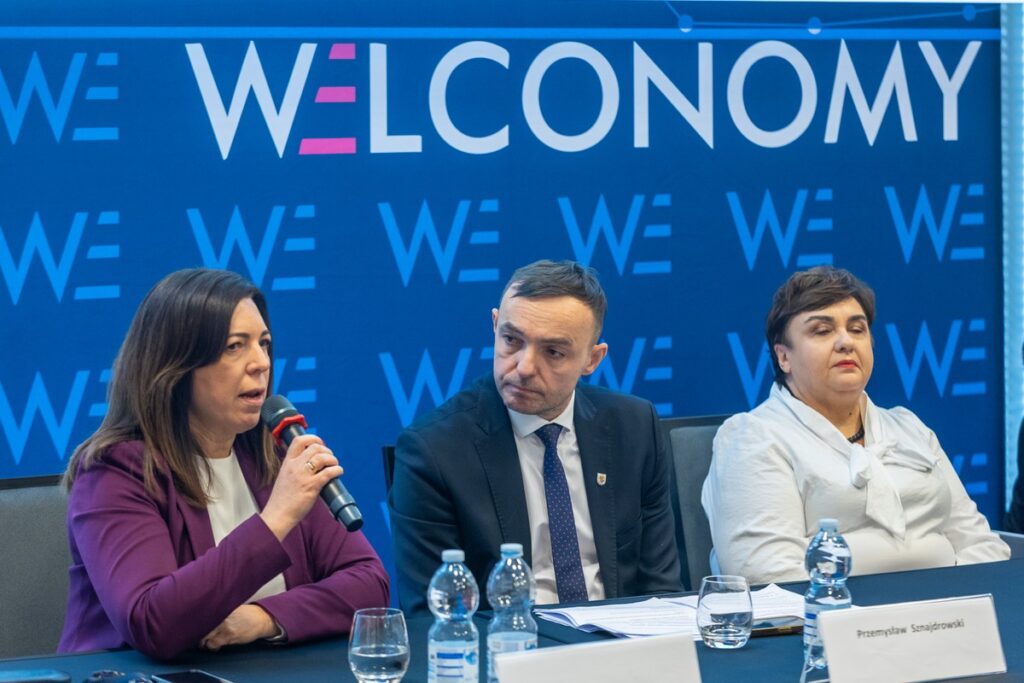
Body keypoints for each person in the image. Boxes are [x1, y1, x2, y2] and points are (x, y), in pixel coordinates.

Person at [59, 269, 389, 659]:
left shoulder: (275, 455)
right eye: (235, 346)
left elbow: (370, 584)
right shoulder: (114, 473)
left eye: (264, 344)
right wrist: (277, 518)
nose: (260, 363)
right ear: (177, 367)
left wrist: (263, 619)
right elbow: (153, 621)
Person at [389, 260, 681, 615]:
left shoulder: (634, 427)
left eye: (553, 352)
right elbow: (434, 617)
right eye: (512, 340)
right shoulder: (434, 451)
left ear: (592, 359)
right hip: (511, 654)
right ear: (495, 325)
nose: (524, 367)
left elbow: (661, 589)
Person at [702, 266, 1010, 584]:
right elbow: (768, 575)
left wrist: (954, 605)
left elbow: (980, 544)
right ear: (784, 358)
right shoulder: (754, 438)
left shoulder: (909, 427)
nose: (845, 342)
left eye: (857, 329)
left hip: (946, 618)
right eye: (822, 331)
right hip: (833, 626)